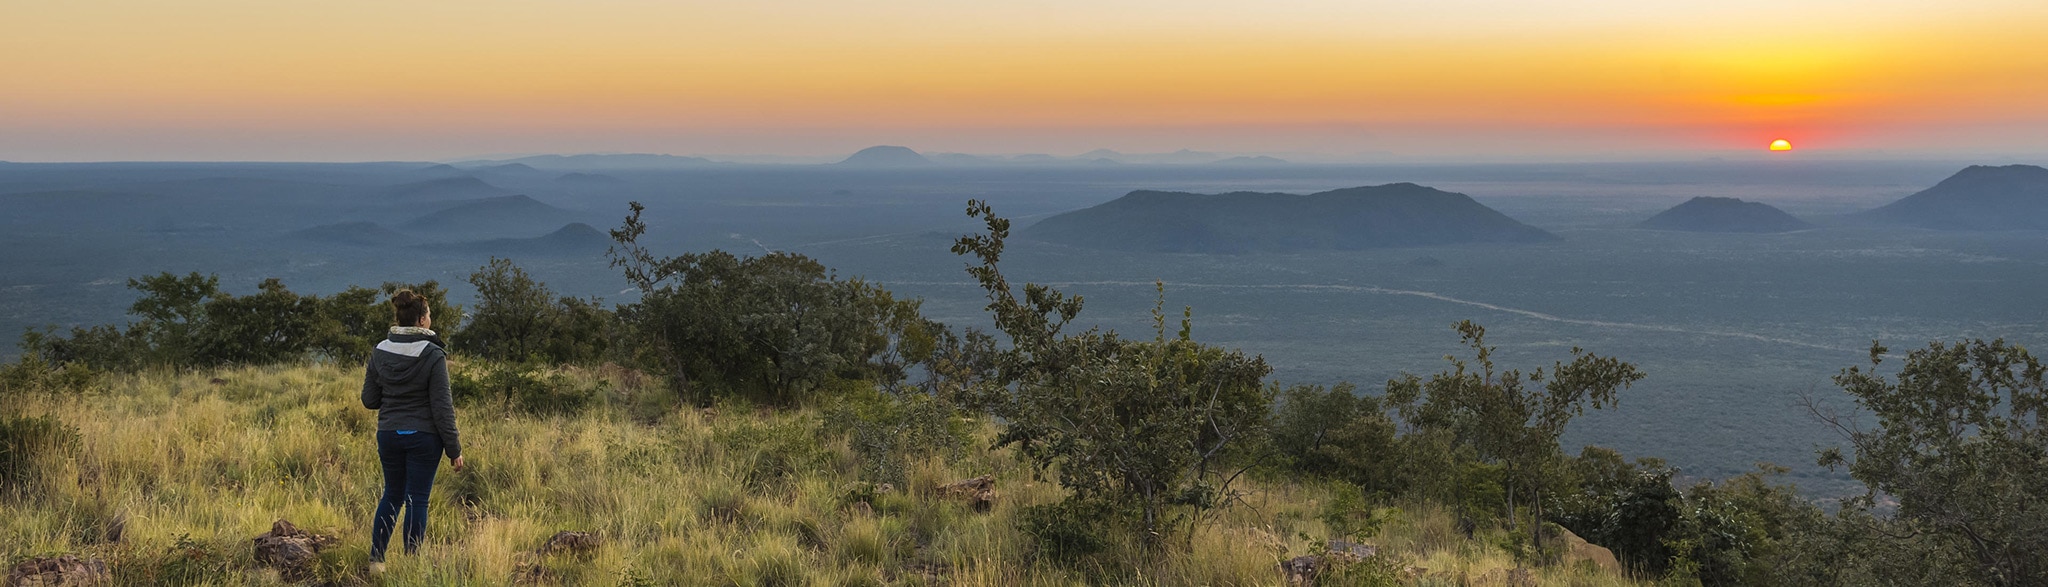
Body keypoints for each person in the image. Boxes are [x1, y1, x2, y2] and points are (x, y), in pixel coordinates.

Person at [360, 290, 464, 571]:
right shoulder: (433, 354)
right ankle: (412, 566)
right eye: (429, 315)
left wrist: (394, 393)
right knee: (417, 499)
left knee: (391, 495)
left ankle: (376, 562)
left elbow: (369, 400)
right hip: (424, 438)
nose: (431, 319)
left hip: (389, 434)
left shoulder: (380, 350)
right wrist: (454, 450)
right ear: (420, 321)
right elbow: (443, 408)